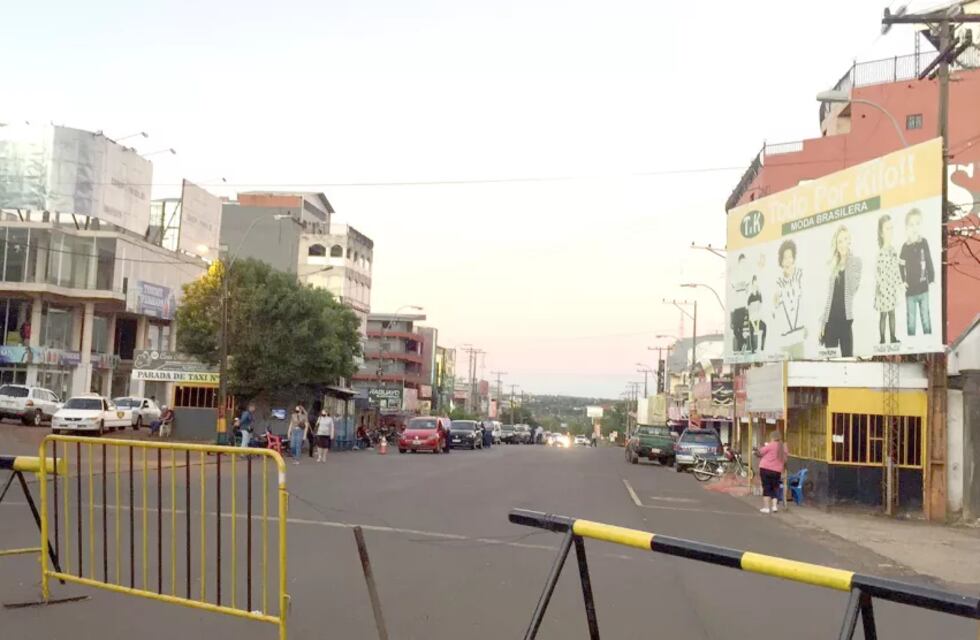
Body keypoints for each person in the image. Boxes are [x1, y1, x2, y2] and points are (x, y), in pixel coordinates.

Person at [820, 225, 862, 357]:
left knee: (848, 360)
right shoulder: (833, 267)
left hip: (845, 322)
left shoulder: (856, 262)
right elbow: (829, 298)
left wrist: (848, 260)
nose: (843, 244)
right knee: (829, 364)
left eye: (845, 240)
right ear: (836, 245)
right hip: (830, 322)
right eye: (840, 241)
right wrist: (823, 324)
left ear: (849, 241)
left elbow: (852, 288)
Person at [899, 208, 935, 337]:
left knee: (926, 318)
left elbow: (929, 259)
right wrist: (903, 281)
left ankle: (929, 344)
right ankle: (911, 347)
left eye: (917, 224)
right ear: (907, 228)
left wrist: (931, 277)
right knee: (911, 322)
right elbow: (900, 265)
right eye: (911, 225)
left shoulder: (924, 242)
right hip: (910, 293)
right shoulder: (905, 247)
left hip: (923, 289)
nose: (915, 227)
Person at [772, 240, 805, 358]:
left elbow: (807, 302)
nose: (787, 261)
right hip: (784, 339)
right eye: (784, 258)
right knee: (784, 374)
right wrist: (775, 304)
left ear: (794, 259)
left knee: (801, 372)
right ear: (781, 261)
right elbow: (774, 312)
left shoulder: (800, 275)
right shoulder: (777, 283)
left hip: (799, 336)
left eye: (790, 257)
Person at [874, 214, 903, 345]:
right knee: (883, 315)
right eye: (887, 228)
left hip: (891, 288)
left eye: (891, 228)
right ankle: (882, 339)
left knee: (892, 313)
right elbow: (877, 273)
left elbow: (896, 269)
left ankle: (892, 337)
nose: (890, 231)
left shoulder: (893, 250)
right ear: (881, 232)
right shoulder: (880, 253)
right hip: (883, 289)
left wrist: (899, 284)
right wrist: (880, 288)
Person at [756, 431, 788, 514]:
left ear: (772, 437)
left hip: (765, 468)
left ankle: (766, 508)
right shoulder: (784, 447)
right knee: (775, 487)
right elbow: (785, 460)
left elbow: (760, 452)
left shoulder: (771, 445)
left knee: (766, 487)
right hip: (777, 470)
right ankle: (774, 507)